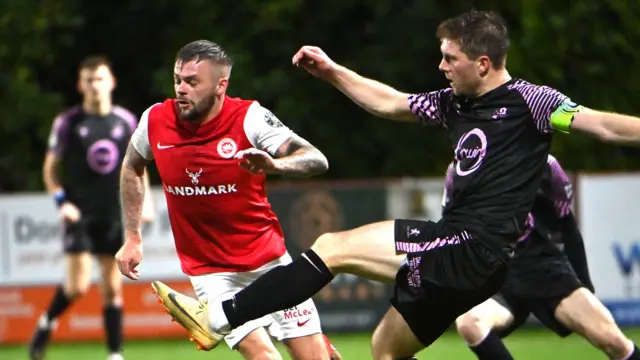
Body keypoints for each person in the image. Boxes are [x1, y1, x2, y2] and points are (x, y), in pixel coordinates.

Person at [149, 11, 640, 360]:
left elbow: (603, 126)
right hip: (469, 256)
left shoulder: (532, 102)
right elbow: (391, 103)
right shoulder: (455, 103)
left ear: (484, 64)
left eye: (450, 58)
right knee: (384, 350)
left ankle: (219, 317)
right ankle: (221, 317)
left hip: (474, 246)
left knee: (332, 247)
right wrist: (334, 72)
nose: (442, 66)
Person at [114, 40, 342, 360]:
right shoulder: (155, 121)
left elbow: (315, 159)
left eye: (192, 82)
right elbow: (131, 165)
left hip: (269, 262)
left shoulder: (250, 118)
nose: (181, 89)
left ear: (221, 85)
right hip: (211, 272)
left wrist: (276, 165)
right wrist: (133, 236)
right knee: (264, 357)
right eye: (178, 79)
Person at [30, 56, 155, 360]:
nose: (94, 85)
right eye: (88, 80)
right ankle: (46, 322)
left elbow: (136, 165)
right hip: (80, 214)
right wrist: (61, 202)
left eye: (99, 79)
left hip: (113, 213)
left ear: (111, 82)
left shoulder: (125, 121)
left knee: (113, 287)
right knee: (78, 285)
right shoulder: (69, 122)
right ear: (80, 84)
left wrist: (147, 199)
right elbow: (50, 170)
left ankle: (114, 354)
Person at [452, 155, 637, 359]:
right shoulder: (461, 170)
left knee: (614, 341)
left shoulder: (545, 165)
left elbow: (569, 229)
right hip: (499, 280)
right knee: (469, 321)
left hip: (546, 272)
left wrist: (586, 286)